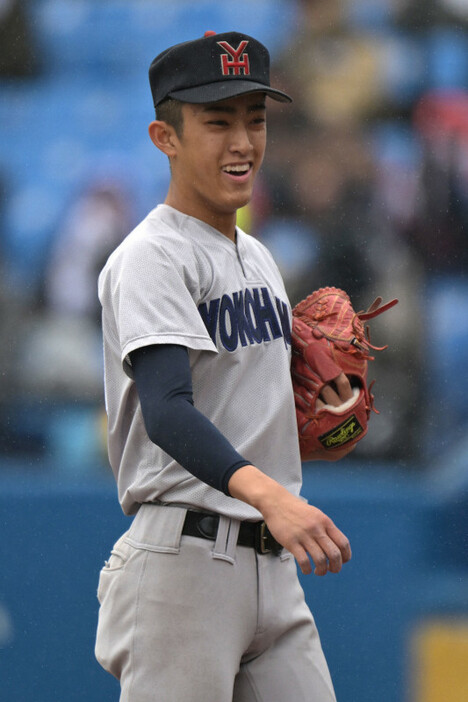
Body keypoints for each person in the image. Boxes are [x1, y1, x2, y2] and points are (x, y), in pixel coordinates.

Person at [95, 31, 353, 702]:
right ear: (165, 136)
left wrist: (330, 393)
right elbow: (168, 411)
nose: (242, 141)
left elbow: (250, 403)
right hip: (185, 563)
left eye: (255, 120)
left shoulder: (258, 257)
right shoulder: (153, 255)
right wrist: (272, 495)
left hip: (273, 566)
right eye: (217, 121)